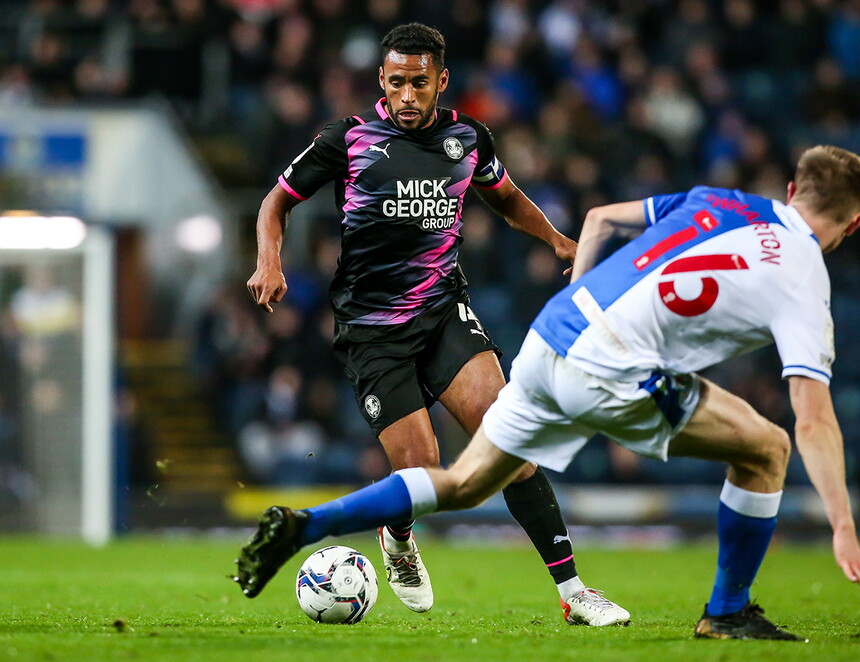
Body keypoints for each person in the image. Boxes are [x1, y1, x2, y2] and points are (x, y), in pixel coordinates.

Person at [237, 145, 860, 638]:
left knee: (466, 483)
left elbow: (603, 219)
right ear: (856, 223)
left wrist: (578, 295)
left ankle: (306, 526)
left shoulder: (722, 201)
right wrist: (842, 524)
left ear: (790, 189)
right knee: (769, 447)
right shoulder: (806, 274)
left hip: (552, 333)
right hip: (613, 364)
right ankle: (726, 612)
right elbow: (815, 420)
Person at [241, 23, 629, 626]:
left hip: (444, 311)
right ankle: (398, 539)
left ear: (440, 81)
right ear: (382, 81)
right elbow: (276, 202)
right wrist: (269, 261)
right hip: (372, 330)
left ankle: (575, 593)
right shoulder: (347, 137)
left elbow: (503, 196)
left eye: (419, 83)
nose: (407, 95)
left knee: (509, 438)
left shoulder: (467, 137)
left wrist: (556, 240)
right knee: (420, 473)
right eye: (396, 82)